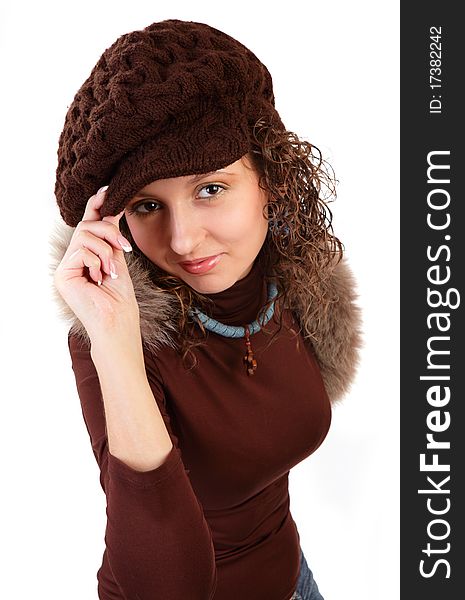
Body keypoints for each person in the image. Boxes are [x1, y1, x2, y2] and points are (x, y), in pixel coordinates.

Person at [50, 19, 361, 600]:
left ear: (271, 178)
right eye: (147, 205)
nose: (185, 240)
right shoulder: (111, 337)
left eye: (210, 189)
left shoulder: (293, 280)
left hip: (293, 580)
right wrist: (117, 343)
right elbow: (166, 587)